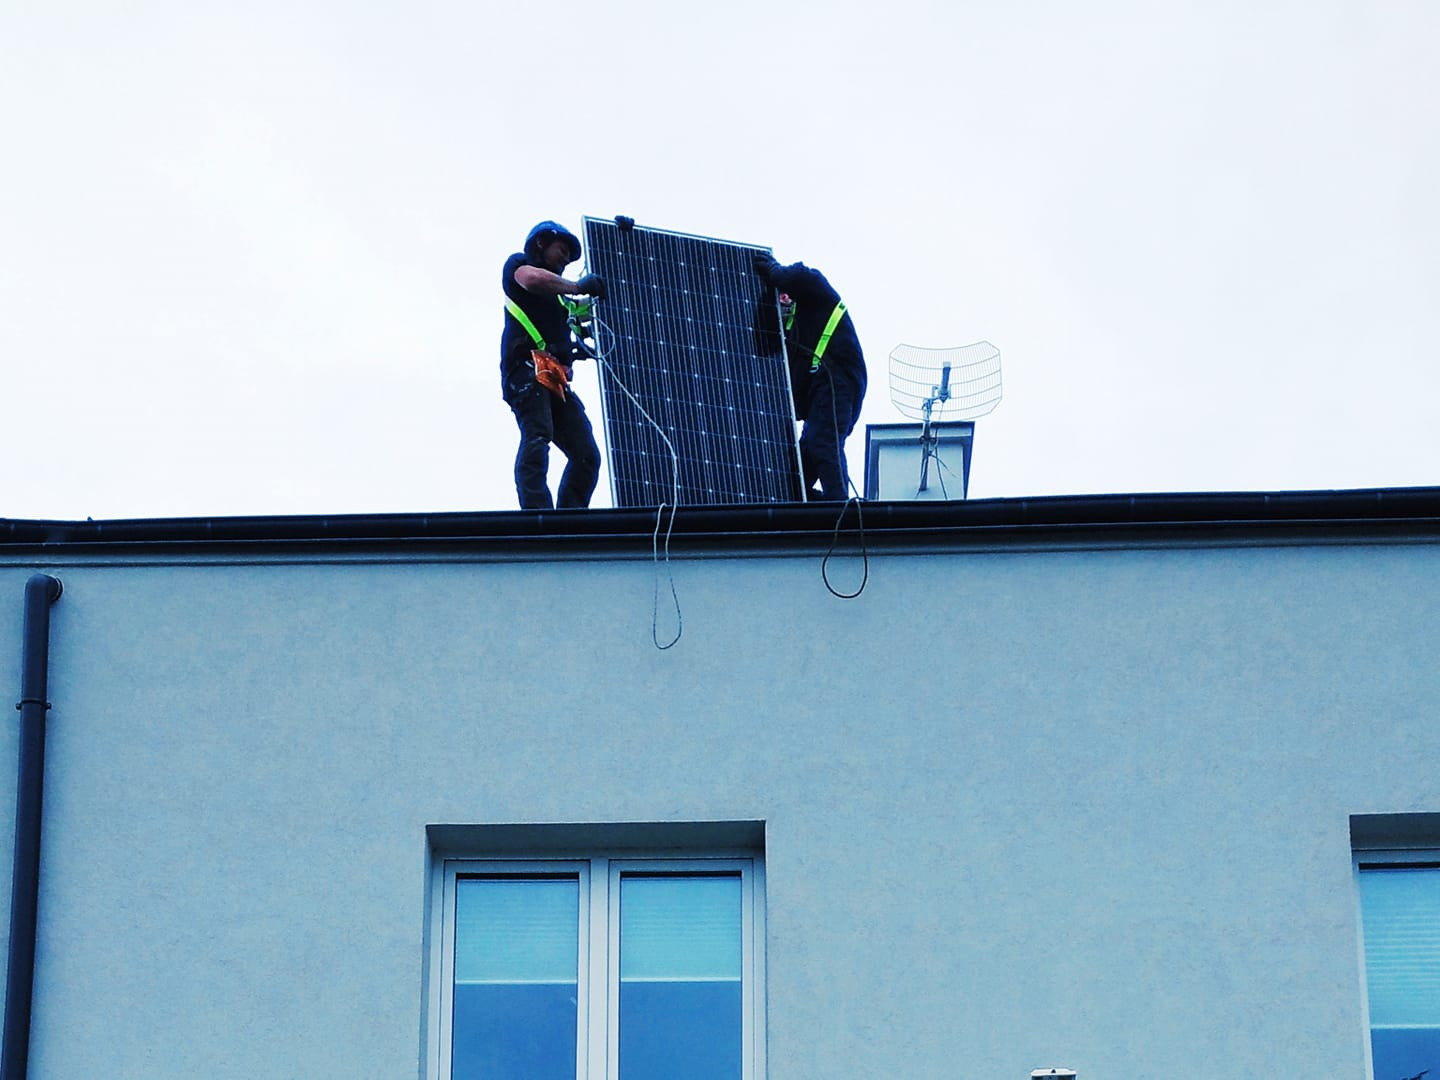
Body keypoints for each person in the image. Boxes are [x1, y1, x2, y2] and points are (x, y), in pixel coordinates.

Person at [501, 221, 607, 509]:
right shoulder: (519, 266)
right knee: (538, 434)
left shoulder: (561, 302)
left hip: (552, 378)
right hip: (525, 370)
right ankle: (539, 518)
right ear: (540, 244)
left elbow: (571, 322)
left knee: (586, 454)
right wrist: (576, 287)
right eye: (562, 250)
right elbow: (533, 279)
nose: (565, 259)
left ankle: (570, 520)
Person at [752, 252, 867, 500]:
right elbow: (762, 346)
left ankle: (840, 511)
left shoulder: (815, 296)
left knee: (822, 441)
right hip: (820, 392)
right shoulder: (792, 343)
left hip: (838, 378)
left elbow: (802, 275)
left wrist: (774, 272)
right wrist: (764, 302)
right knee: (797, 472)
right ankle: (807, 505)